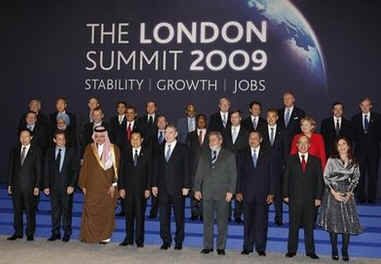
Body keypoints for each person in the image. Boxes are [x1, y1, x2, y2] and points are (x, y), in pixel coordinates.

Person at [318, 137, 362, 261]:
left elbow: (356, 178)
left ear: (348, 146)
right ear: (336, 147)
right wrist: (334, 193)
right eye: (339, 144)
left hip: (347, 194)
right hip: (333, 193)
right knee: (334, 223)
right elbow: (326, 177)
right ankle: (334, 250)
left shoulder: (354, 161)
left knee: (346, 223)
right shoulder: (332, 160)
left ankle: (344, 250)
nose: (341, 147)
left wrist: (349, 193)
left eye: (344, 144)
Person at [193, 131, 237, 256]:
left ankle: (221, 246)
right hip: (207, 192)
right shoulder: (204, 155)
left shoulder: (229, 155)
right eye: (210, 140)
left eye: (214, 140)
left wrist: (231, 191)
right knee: (207, 221)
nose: (211, 142)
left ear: (220, 141)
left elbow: (233, 175)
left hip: (223, 193)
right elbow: (199, 174)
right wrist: (196, 189)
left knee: (222, 222)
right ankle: (208, 246)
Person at [151, 124, 191, 250]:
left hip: (178, 189)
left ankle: (179, 241)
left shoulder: (183, 149)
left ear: (176, 134)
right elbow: (155, 168)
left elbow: (187, 169)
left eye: (170, 132)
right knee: (163, 217)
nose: (167, 135)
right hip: (162, 189)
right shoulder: (159, 148)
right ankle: (166, 241)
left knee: (179, 217)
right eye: (165, 132)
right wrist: (154, 185)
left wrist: (186, 186)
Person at [78, 126, 120, 244]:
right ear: (94, 137)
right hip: (91, 186)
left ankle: (105, 236)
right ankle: (89, 236)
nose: (100, 138)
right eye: (97, 136)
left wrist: (114, 185)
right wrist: (83, 185)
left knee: (106, 212)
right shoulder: (89, 148)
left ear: (106, 136)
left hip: (107, 187)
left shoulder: (113, 149)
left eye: (102, 136)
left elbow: (117, 169)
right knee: (90, 211)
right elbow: (85, 167)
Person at [283, 135, 323, 259]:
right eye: (300, 143)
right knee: (293, 226)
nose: (303, 145)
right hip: (294, 198)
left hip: (311, 200)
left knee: (309, 227)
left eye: (306, 143)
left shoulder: (316, 160)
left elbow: (319, 181)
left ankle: (310, 251)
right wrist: (285, 194)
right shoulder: (290, 159)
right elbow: (286, 178)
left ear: (309, 145)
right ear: (297, 145)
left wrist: (318, 197)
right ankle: (291, 250)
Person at [236, 131, 275, 256]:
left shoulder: (268, 154)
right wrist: (238, 191)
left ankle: (260, 248)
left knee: (261, 222)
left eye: (255, 138)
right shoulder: (242, 153)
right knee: (247, 222)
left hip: (263, 194)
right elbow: (238, 174)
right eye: (250, 138)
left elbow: (272, 175)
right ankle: (247, 247)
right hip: (246, 193)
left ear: (261, 139)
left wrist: (271, 193)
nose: (252, 140)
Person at [43, 130, 79, 242]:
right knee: (55, 211)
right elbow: (46, 170)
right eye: (59, 139)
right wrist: (46, 186)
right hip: (53, 187)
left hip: (66, 187)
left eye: (63, 139)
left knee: (66, 211)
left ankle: (67, 233)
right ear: (54, 140)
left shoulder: (71, 151)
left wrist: (72, 185)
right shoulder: (49, 152)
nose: (61, 141)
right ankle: (55, 232)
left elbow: (75, 170)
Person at [119, 132, 152, 248]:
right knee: (128, 215)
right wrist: (121, 187)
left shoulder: (147, 153)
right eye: (133, 138)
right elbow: (121, 171)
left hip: (141, 190)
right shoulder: (125, 152)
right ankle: (128, 239)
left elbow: (149, 173)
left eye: (137, 139)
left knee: (139, 215)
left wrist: (148, 188)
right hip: (127, 190)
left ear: (142, 140)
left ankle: (139, 240)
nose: (135, 141)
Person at [7, 129, 41, 241]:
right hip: (16, 186)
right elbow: (11, 168)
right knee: (17, 211)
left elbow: (38, 170)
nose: (24, 138)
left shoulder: (36, 151)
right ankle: (18, 232)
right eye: (22, 136)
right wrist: (9, 184)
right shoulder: (14, 150)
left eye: (26, 136)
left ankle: (30, 233)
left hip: (30, 187)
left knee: (30, 211)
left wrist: (37, 186)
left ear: (31, 137)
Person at [260, 109, 287, 226]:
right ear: (266, 118)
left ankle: (279, 217)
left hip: (278, 167)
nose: (271, 118)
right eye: (269, 116)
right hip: (264, 167)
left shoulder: (283, 132)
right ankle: (262, 218)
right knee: (263, 192)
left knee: (278, 193)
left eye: (273, 116)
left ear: (277, 118)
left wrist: (285, 165)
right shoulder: (260, 131)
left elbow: (285, 150)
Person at [351, 97, 381, 203]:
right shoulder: (355, 119)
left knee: (373, 175)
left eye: (367, 105)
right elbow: (353, 136)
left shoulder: (378, 118)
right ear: (360, 106)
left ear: (371, 106)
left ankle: (372, 198)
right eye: (363, 105)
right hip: (360, 152)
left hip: (374, 152)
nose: (365, 107)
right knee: (360, 175)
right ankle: (361, 198)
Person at [223, 110, 249, 223]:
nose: (234, 119)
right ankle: (227, 214)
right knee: (227, 188)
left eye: (236, 117)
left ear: (240, 118)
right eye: (232, 117)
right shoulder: (224, 132)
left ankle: (238, 214)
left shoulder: (246, 132)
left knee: (239, 188)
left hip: (241, 163)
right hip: (226, 164)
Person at [186, 114, 209, 221]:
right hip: (193, 168)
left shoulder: (211, 135)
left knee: (205, 192)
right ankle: (194, 213)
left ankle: (204, 214)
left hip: (207, 169)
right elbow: (187, 153)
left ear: (206, 122)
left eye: (202, 121)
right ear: (196, 122)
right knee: (194, 192)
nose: (201, 122)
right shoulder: (190, 135)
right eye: (199, 121)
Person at [148, 115, 168, 219]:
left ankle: (164, 213)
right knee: (154, 190)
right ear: (157, 124)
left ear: (166, 123)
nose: (161, 123)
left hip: (166, 168)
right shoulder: (151, 136)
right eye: (159, 121)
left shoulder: (171, 136)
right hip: (154, 167)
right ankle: (154, 211)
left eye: (163, 121)